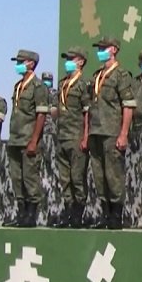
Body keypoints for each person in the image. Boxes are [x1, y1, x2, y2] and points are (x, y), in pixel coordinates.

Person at [87, 36, 136, 229]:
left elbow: (128, 106)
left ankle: (116, 215)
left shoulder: (121, 75)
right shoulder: (97, 75)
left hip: (112, 131)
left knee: (113, 175)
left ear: (114, 50)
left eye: (104, 48)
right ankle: (105, 214)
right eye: (99, 48)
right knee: (99, 176)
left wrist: (123, 134)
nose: (100, 51)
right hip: (96, 131)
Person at [7, 49, 49, 228]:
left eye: (21, 62)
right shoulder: (18, 85)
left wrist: (34, 140)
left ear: (31, 63)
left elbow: (41, 115)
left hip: (28, 139)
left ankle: (31, 215)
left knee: (30, 178)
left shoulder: (38, 87)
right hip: (15, 139)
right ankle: (21, 213)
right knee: (17, 179)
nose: (18, 65)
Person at [53, 47, 92, 228]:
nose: (67, 62)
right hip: (62, 136)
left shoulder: (84, 84)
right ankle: (68, 211)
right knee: (65, 178)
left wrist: (85, 137)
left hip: (77, 136)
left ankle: (78, 214)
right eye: (66, 59)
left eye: (71, 59)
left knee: (77, 177)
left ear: (81, 62)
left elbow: (87, 113)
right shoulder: (62, 83)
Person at [42, 72, 58, 137]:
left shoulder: (55, 93)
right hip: (40, 125)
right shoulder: (38, 92)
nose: (47, 82)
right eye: (45, 79)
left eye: (49, 80)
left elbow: (54, 110)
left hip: (51, 126)